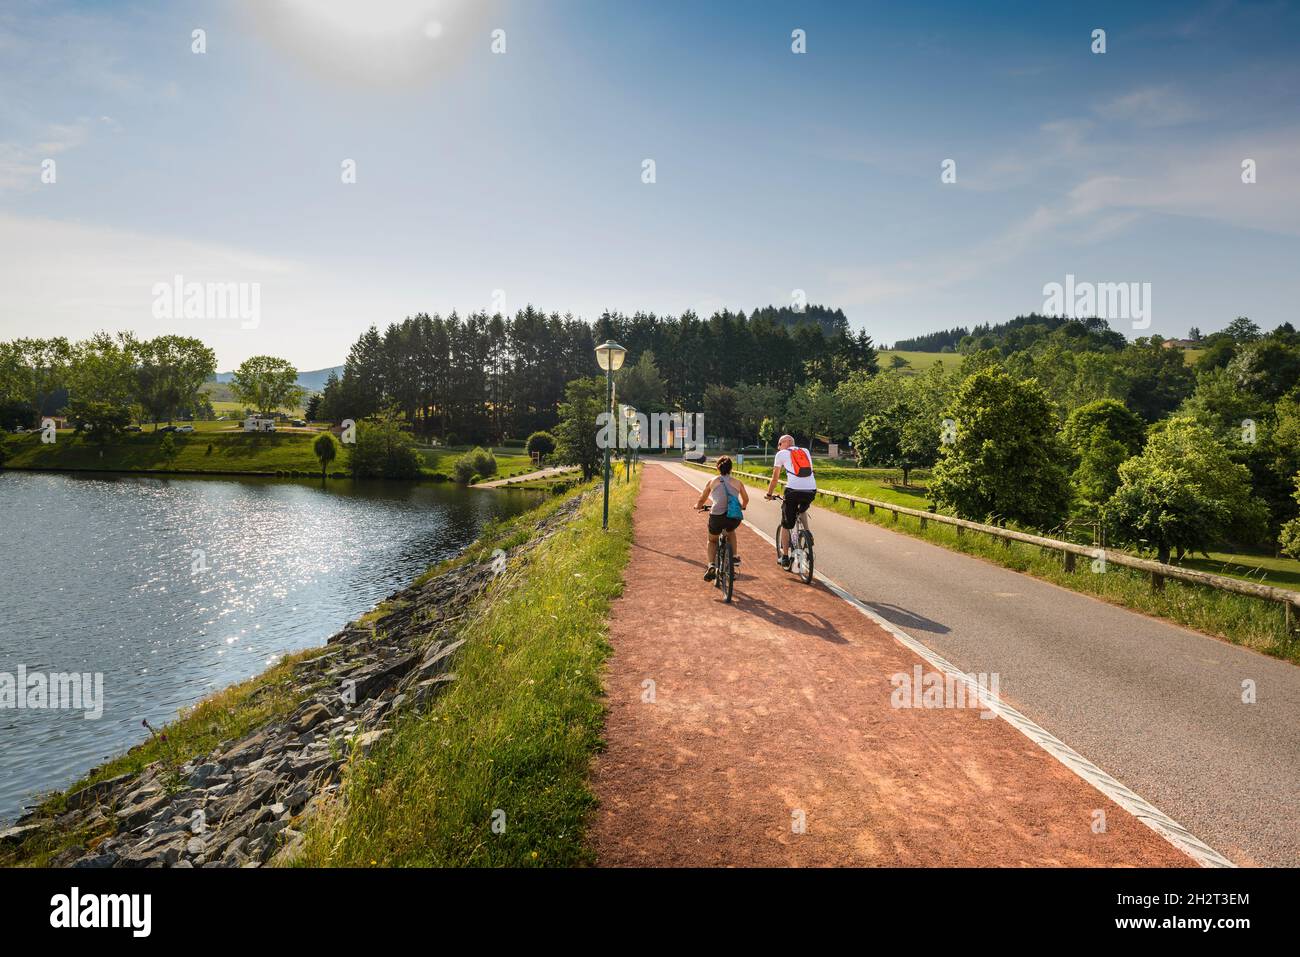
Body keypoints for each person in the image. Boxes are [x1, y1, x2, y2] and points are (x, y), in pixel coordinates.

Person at [765, 434, 816, 568]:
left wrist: (769, 494)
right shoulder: (805, 451)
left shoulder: (781, 454)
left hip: (793, 491)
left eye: (779, 444)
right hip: (811, 490)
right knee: (802, 509)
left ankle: (785, 557)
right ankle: (807, 532)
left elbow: (775, 478)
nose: (778, 447)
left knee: (786, 524)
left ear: (785, 443)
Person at [695, 455, 748, 582]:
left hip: (716, 516)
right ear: (731, 468)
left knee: (712, 540)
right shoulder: (737, 482)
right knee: (731, 532)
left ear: (717, 468)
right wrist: (742, 507)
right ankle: (734, 556)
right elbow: (746, 499)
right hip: (733, 517)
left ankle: (711, 565)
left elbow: (702, 498)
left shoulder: (712, 481)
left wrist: (698, 506)